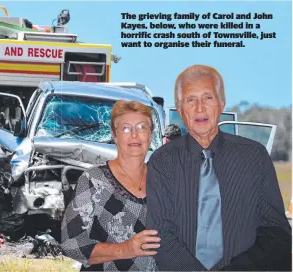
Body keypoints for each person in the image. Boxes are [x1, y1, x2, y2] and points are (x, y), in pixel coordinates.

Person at [146, 64, 292, 271]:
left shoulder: (255, 157)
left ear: (221, 103)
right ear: (180, 109)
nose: (199, 108)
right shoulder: (162, 161)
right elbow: (160, 234)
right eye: (190, 99)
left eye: (208, 97)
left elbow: (277, 233)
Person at [60, 100, 160, 271]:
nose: (134, 135)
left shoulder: (163, 182)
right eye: (126, 128)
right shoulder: (94, 180)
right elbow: (71, 243)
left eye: (142, 127)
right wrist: (125, 249)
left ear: (151, 135)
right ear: (115, 135)